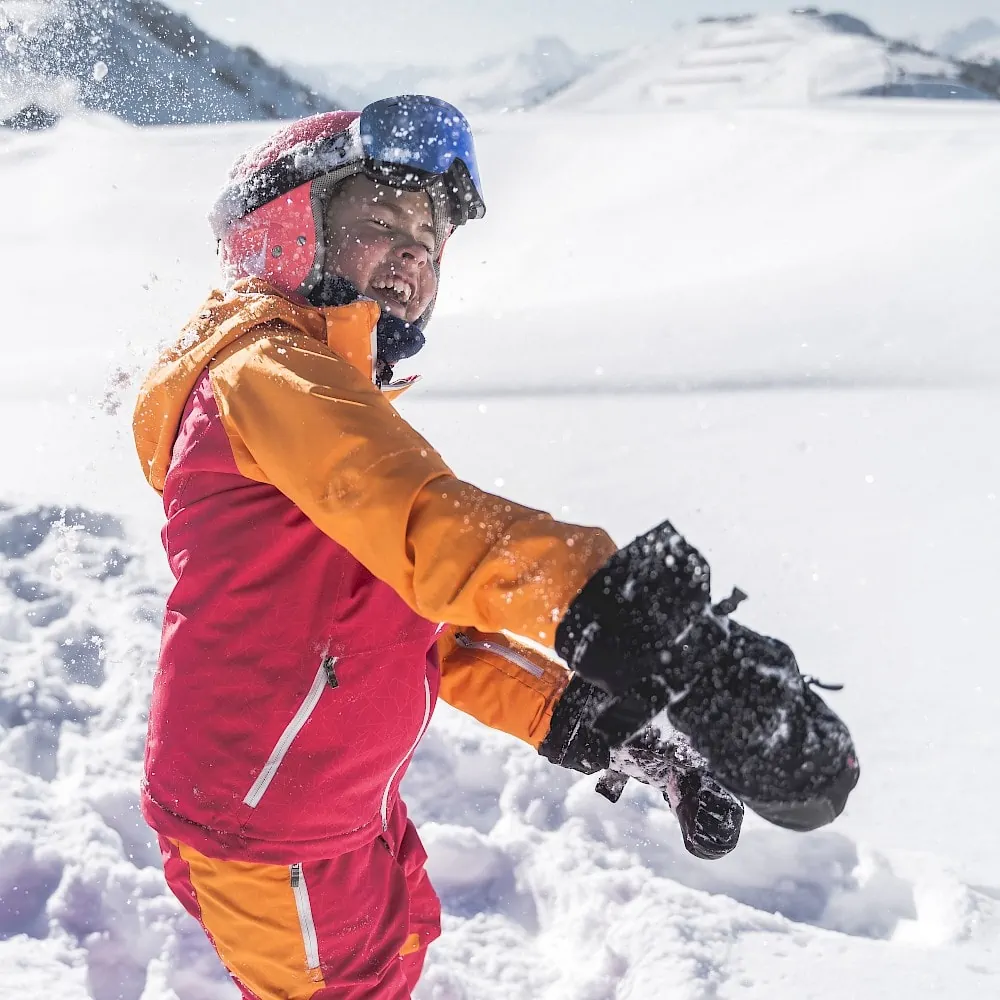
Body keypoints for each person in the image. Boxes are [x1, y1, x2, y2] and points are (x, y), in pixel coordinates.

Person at [132, 96, 859, 1000]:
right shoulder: (267, 376)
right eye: (380, 220)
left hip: (331, 803)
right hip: (267, 822)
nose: (411, 252)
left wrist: (601, 722)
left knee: (396, 956)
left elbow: (408, 626)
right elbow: (435, 529)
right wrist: (666, 640)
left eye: (429, 240)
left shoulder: (321, 398)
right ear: (290, 227)